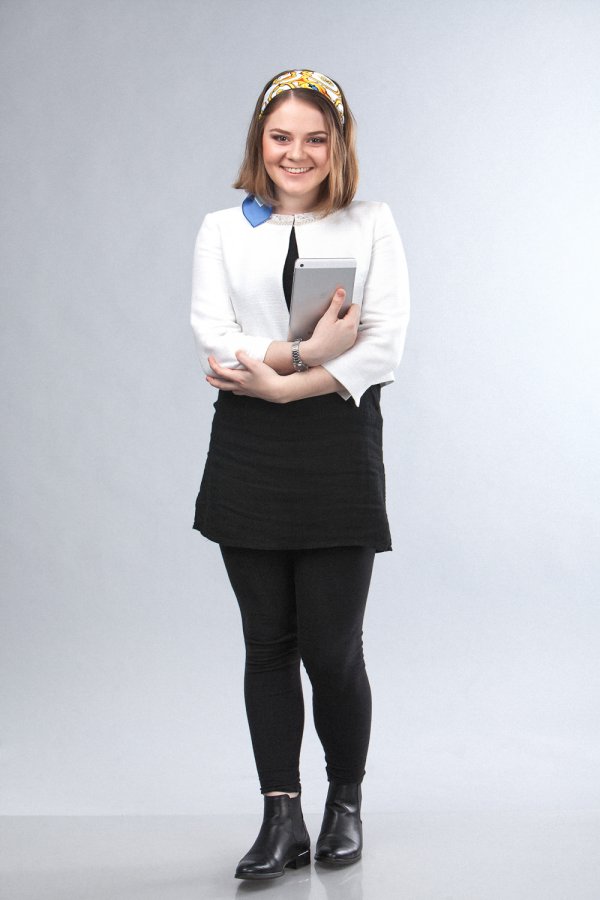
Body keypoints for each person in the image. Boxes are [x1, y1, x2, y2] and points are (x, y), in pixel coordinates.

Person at [190, 69, 410, 881]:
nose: (297, 153)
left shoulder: (371, 221)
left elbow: (384, 344)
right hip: (248, 447)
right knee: (266, 645)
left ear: (337, 145)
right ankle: (279, 816)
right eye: (281, 136)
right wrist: (307, 351)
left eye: (315, 139)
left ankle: (344, 802)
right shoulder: (221, 228)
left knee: (332, 647)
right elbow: (214, 336)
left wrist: (286, 379)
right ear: (261, 140)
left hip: (336, 444)